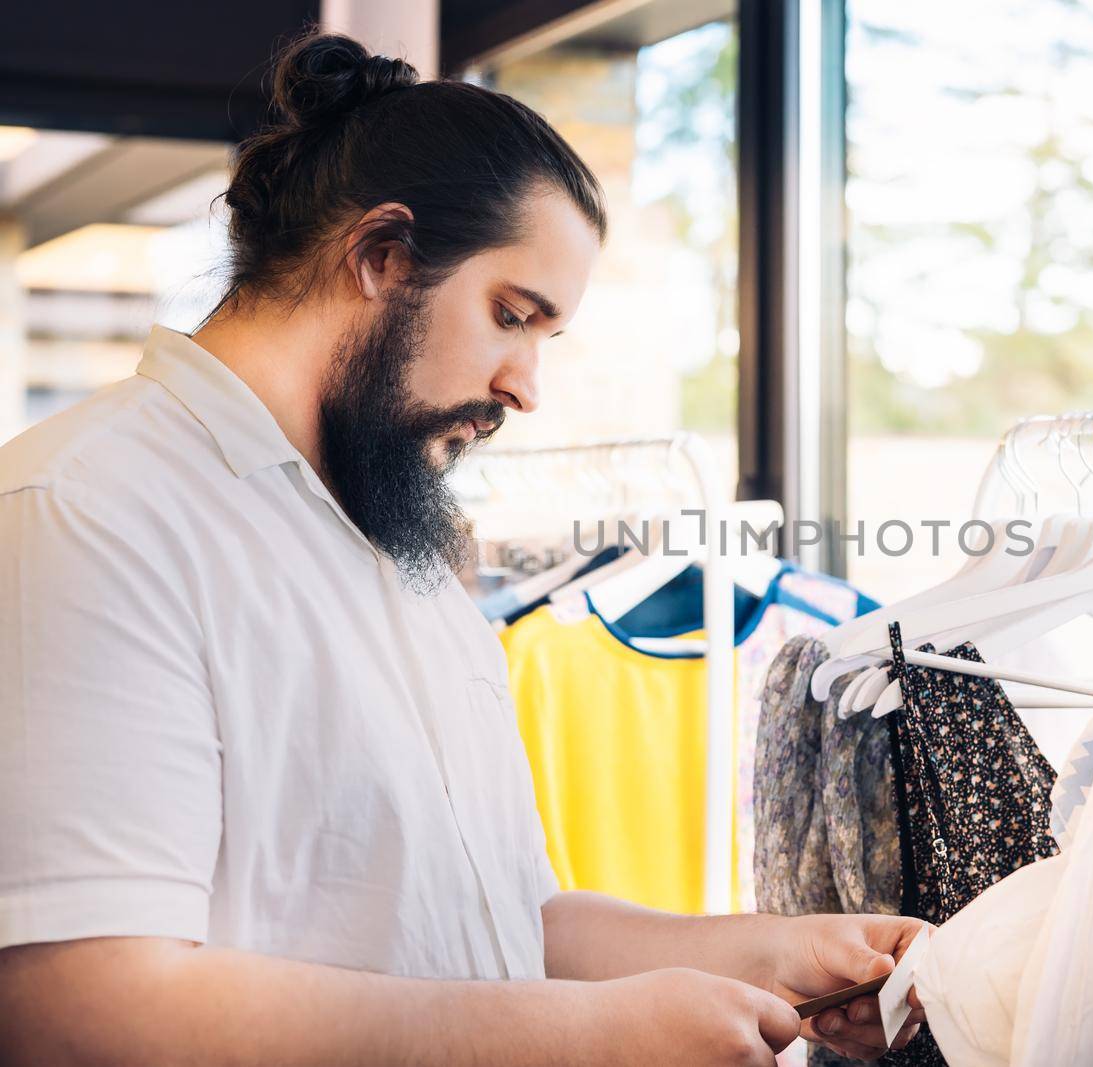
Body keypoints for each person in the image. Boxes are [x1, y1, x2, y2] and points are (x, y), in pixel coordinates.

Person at [0, 33, 924, 1065]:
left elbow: (488, 921)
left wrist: (758, 950)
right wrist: (583, 1033)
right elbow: (78, 1005)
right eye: (509, 316)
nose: (527, 386)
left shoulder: (401, 543)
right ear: (382, 256)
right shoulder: (84, 512)